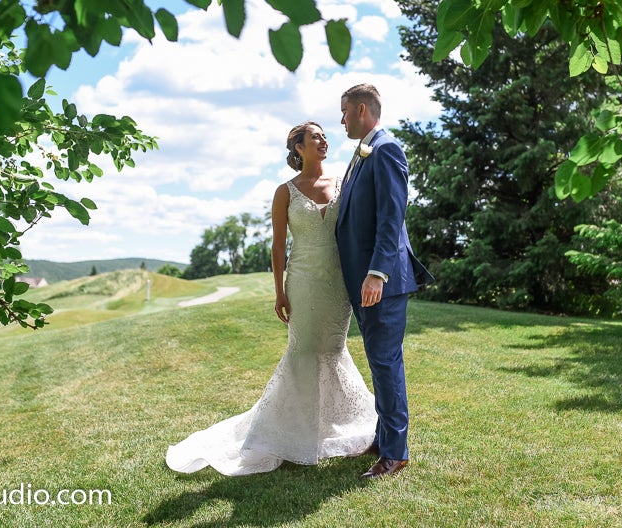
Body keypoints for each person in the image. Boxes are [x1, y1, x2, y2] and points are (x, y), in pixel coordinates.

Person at [165, 121, 377, 476]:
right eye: (315, 137)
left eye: (325, 136)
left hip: (338, 283)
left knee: (333, 349)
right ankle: (286, 432)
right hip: (303, 281)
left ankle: (333, 426)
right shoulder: (285, 192)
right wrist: (279, 290)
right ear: (299, 148)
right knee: (303, 351)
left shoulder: (344, 183)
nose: (324, 140)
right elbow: (278, 246)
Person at [335, 84, 434, 479]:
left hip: (382, 283)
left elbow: (392, 216)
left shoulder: (386, 149)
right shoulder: (365, 152)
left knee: (386, 364)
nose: (342, 120)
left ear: (362, 110)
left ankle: (395, 454)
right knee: (380, 363)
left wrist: (377, 273)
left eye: (344, 112)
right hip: (365, 281)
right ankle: (383, 438)